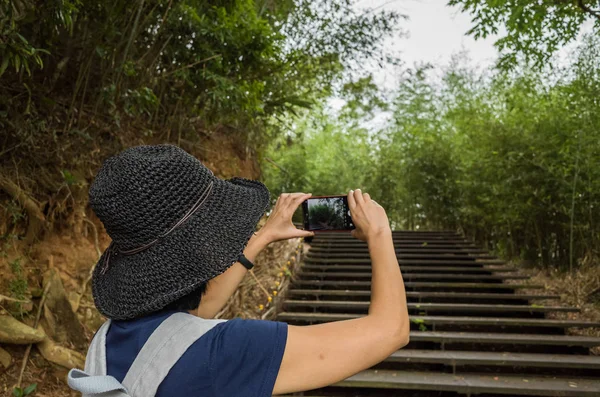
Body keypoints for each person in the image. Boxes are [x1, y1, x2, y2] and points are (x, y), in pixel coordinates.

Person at [67, 144, 409, 396]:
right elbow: (390, 331)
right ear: (209, 245)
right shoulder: (226, 350)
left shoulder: (108, 340)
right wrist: (379, 235)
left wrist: (265, 236)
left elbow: (192, 317)